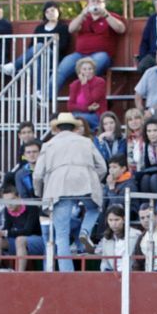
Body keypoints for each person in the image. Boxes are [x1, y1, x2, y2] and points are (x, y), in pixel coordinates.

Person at [34, 112, 106, 271]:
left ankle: (67, 272)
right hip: (85, 183)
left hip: (58, 188)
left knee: (61, 236)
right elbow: (102, 167)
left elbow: (37, 175)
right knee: (94, 209)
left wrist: (40, 193)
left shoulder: (48, 145)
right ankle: (85, 231)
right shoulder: (86, 142)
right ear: (74, 127)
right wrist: (93, 180)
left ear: (57, 128)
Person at [55, 0, 126, 90]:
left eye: (99, 1)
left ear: (104, 4)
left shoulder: (110, 16)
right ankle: (45, 97)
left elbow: (121, 29)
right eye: (93, 1)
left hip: (101, 55)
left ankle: (83, 97)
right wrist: (81, 15)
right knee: (62, 68)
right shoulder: (84, 18)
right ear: (88, 3)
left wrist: (106, 15)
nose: (95, 3)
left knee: (90, 68)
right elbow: (71, 29)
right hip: (80, 54)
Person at [1, 1, 69, 76]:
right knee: (38, 56)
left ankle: (14, 66)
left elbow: (63, 46)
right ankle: (39, 87)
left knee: (40, 46)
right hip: (39, 58)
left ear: (58, 10)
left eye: (52, 10)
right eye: (47, 12)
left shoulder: (63, 27)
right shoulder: (40, 28)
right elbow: (31, 45)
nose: (50, 13)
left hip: (54, 57)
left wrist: (44, 48)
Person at [68, 56, 107, 131]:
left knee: (78, 119)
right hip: (78, 114)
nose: (87, 72)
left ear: (94, 70)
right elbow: (70, 106)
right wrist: (87, 108)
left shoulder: (99, 82)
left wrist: (84, 85)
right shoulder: (74, 84)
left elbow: (91, 101)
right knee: (73, 118)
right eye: (84, 69)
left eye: (90, 69)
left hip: (95, 115)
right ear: (79, 71)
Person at [95, 204, 138, 271]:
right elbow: (104, 261)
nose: (113, 223)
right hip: (112, 275)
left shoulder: (136, 235)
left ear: (124, 219)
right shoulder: (106, 239)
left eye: (117, 220)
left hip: (132, 275)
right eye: (110, 220)